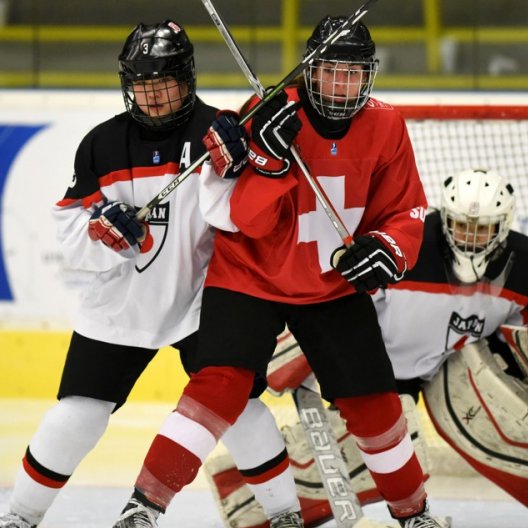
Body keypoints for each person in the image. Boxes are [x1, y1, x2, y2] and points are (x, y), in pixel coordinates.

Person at [111, 14, 445, 528]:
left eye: (354, 74)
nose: (342, 85)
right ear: (309, 71)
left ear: (369, 76)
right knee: (218, 384)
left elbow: (404, 211)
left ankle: (414, 513)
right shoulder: (264, 112)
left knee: (376, 404)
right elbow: (240, 217)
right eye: (332, 71)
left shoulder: (386, 125)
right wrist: (265, 160)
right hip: (248, 274)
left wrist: (388, 248)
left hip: (331, 286)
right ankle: (143, 506)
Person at [0, 20, 302, 528]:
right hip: (122, 304)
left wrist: (240, 164)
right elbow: (71, 233)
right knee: (80, 411)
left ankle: (285, 514)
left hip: (207, 301)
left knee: (239, 408)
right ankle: (19, 518)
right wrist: (101, 233)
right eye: (142, 84)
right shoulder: (101, 144)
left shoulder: (220, 132)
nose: (153, 95)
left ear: (187, 79)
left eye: (163, 82)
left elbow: (238, 217)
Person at [219, 169, 528, 528]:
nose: (471, 238)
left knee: (510, 418)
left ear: (504, 225)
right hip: (370, 363)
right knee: (391, 448)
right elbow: (329, 299)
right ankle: (245, 500)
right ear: (444, 219)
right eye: (462, 226)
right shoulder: (407, 245)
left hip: (448, 363)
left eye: (483, 228)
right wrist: (292, 348)